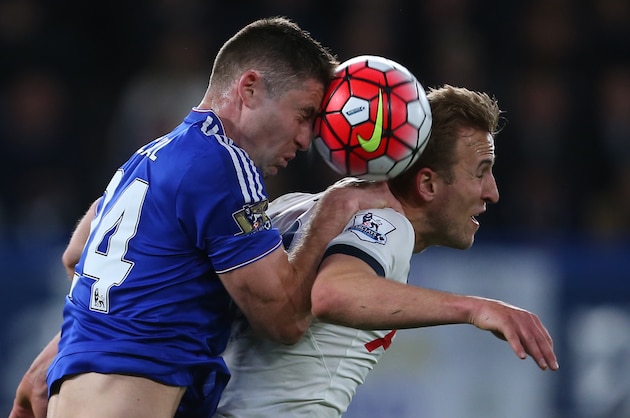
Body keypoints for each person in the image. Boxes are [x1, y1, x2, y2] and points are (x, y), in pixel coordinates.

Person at [9, 17, 402, 418]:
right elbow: (284, 319)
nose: (305, 140)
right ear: (250, 88)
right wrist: (331, 210)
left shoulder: (149, 158)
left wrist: (90, 338)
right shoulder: (223, 164)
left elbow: (78, 256)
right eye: (303, 115)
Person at [211, 85, 559, 418]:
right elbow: (333, 293)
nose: (492, 192)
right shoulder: (389, 225)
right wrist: (474, 308)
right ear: (427, 184)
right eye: (481, 173)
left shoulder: (294, 206)